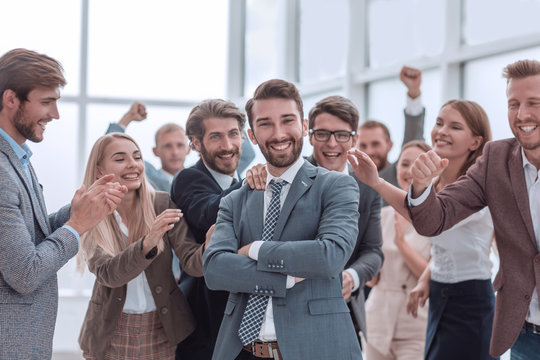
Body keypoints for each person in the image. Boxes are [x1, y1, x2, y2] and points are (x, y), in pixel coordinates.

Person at [204, 79, 362, 359]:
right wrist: (285, 279)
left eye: (287, 121)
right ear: (252, 136)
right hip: (242, 351)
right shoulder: (234, 200)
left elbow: (330, 256)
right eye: (265, 124)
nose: (278, 134)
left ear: (302, 126)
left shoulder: (336, 186)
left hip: (315, 349)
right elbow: (215, 269)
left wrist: (255, 249)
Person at [404, 59, 540, 359]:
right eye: (513, 103)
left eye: (534, 103)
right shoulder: (496, 159)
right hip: (524, 334)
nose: (522, 115)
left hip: (474, 301)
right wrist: (421, 186)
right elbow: (435, 218)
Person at [0, 48, 126, 359]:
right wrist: (78, 224)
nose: (56, 114)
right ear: (11, 99)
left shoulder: (19, 159)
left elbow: (30, 236)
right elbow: (25, 273)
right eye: (46, 102)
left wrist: (81, 208)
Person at [348, 99, 495, 360]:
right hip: (440, 293)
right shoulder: (438, 182)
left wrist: (378, 183)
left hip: (470, 299)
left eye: (455, 127)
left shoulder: (478, 185)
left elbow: (433, 218)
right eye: (439, 123)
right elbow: (428, 221)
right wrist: (429, 277)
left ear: (475, 142)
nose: (442, 131)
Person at [78, 133, 205, 360]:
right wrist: (149, 241)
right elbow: (110, 275)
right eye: (120, 159)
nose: (133, 165)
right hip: (109, 331)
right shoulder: (90, 213)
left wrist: (211, 245)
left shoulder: (162, 203)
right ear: (99, 170)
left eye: (137, 157)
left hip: (162, 327)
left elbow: (193, 264)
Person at [171, 99, 247, 360]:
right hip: (205, 326)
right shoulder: (188, 179)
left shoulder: (244, 182)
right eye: (216, 137)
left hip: (246, 326)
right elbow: (208, 213)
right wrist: (254, 182)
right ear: (195, 142)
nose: (227, 146)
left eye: (233, 134)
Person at [363, 140, 432, 360]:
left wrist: (401, 244)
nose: (410, 170)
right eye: (404, 164)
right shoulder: (382, 216)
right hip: (376, 321)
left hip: (416, 324)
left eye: (417, 164)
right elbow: (372, 280)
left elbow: (433, 276)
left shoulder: (440, 219)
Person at [356, 66, 425, 187]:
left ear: (389, 145)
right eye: (363, 145)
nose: (369, 151)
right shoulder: (349, 178)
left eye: (375, 144)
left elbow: (413, 138)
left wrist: (414, 93)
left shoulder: (399, 173)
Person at [106, 102, 190, 192]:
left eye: (180, 145)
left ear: (189, 149)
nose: (175, 152)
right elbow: (108, 148)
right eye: (167, 146)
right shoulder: (146, 176)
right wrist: (128, 117)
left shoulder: (199, 178)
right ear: (155, 151)